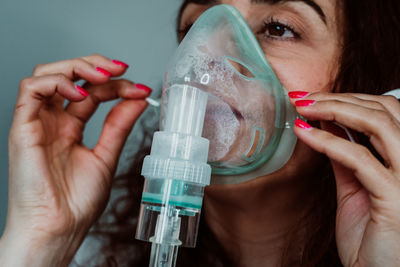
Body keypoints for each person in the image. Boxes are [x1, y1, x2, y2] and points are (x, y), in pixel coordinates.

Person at [1, 0, 400, 266]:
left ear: (369, 89)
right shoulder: (91, 257)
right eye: (194, 25)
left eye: (279, 28)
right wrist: (39, 241)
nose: (205, 53)